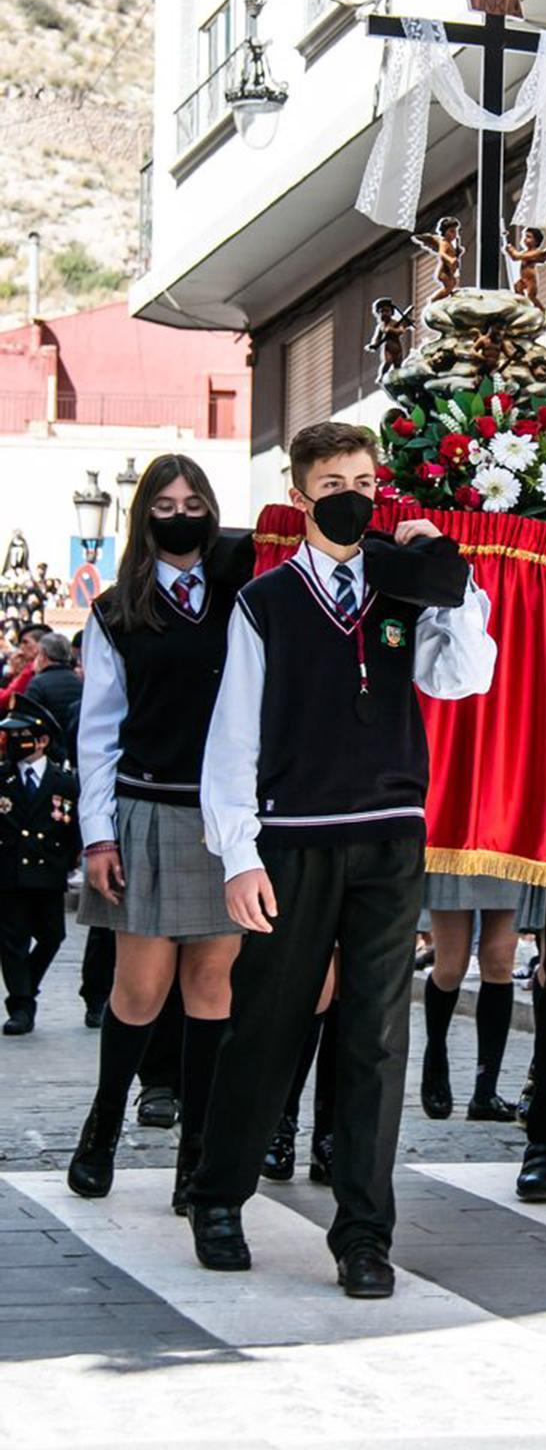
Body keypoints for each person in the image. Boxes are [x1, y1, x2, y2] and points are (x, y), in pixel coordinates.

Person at [189, 420, 496, 1299]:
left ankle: (364, 1234)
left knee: (376, 1038)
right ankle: (218, 1196)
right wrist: (239, 855)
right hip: (294, 838)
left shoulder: (402, 590)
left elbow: (464, 677)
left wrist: (451, 578)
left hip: (391, 835)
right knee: (268, 1024)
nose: (352, 498)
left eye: (363, 483)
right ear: (301, 496)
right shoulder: (267, 602)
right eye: (333, 486)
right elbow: (233, 737)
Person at [67, 454, 253, 1214]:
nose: (182, 516)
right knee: (140, 989)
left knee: (212, 987)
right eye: (166, 505)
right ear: (144, 515)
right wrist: (98, 837)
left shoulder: (245, 596)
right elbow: (98, 734)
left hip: (225, 817)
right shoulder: (116, 611)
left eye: (194, 502)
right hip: (145, 809)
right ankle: (103, 1127)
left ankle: (196, 1157)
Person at [0, 702, 80, 1035]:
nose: (13, 742)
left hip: (48, 871)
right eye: (10, 735)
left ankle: (26, 987)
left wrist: (73, 860)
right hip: (10, 871)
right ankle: (21, 1006)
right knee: (12, 941)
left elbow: (74, 829)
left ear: (42, 740)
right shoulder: (3, 778)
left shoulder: (63, 782)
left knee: (52, 936)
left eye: (22, 735)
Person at [421, 883, 520, 1124]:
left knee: (499, 962)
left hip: (506, 861)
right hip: (455, 861)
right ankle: (435, 1054)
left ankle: (485, 1091)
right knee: (451, 969)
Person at [24, 632, 82, 765]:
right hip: (78, 754)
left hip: (49, 758)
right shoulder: (80, 681)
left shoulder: (37, 684)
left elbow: (28, 722)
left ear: (43, 655)